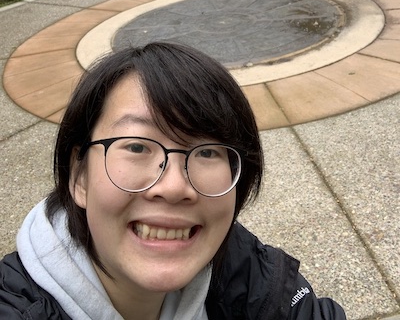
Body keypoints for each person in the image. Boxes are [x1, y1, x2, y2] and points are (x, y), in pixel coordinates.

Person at [0, 42, 346, 319]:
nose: (174, 187)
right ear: (80, 177)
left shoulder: (246, 270)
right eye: (136, 146)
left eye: (207, 152)